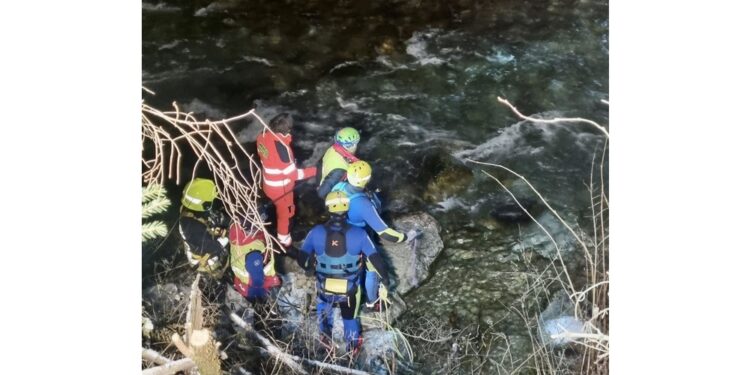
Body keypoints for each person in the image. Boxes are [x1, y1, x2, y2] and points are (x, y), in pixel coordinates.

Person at [298, 191, 391, 353]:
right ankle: (352, 348)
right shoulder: (360, 234)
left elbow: (301, 258)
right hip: (349, 290)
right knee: (350, 318)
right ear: (347, 208)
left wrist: (310, 268)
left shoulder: (315, 232)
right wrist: (385, 280)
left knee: (324, 310)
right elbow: (376, 261)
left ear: (328, 209)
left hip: (324, 286)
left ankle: (325, 338)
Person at [331, 160, 419, 308]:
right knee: (372, 269)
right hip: (358, 237)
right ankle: (372, 302)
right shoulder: (363, 204)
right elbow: (386, 233)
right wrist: (406, 236)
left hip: (339, 232)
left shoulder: (338, 187)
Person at [256, 113, 317, 247]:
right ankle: (283, 240)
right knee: (286, 213)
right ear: (287, 129)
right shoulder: (283, 150)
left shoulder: (262, 135)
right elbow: (294, 175)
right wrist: (314, 171)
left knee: (279, 208)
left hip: (267, 184)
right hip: (280, 190)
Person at [179, 178, 231, 276]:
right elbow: (211, 247)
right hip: (206, 267)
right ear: (201, 203)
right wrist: (228, 235)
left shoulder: (192, 212)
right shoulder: (190, 225)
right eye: (210, 203)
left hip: (209, 256)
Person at [228, 213, 282, 302]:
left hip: (245, 285)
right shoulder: (253, 255)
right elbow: (256, 278)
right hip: (253, 288)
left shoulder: (237, 234)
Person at [317, 127, 361, 199]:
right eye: (351, 145)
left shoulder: (333, 148)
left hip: (327, 176)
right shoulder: (339, 170)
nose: (355, 147)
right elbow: (322, 193)